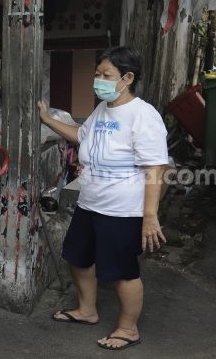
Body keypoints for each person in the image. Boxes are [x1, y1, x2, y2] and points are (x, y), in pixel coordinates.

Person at [38, 47, 168, 350]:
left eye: (106, 75)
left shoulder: (143, 115)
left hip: (123, 210)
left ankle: (128, 328)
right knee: (78, 257)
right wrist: (47, 120)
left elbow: (155, 168)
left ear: (127, 78)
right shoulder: (103, 109)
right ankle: (86, 310)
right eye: (97, 74)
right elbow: (81, 135)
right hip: (90, 203)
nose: (99, 80)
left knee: (122, 271)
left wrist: (149, 215)